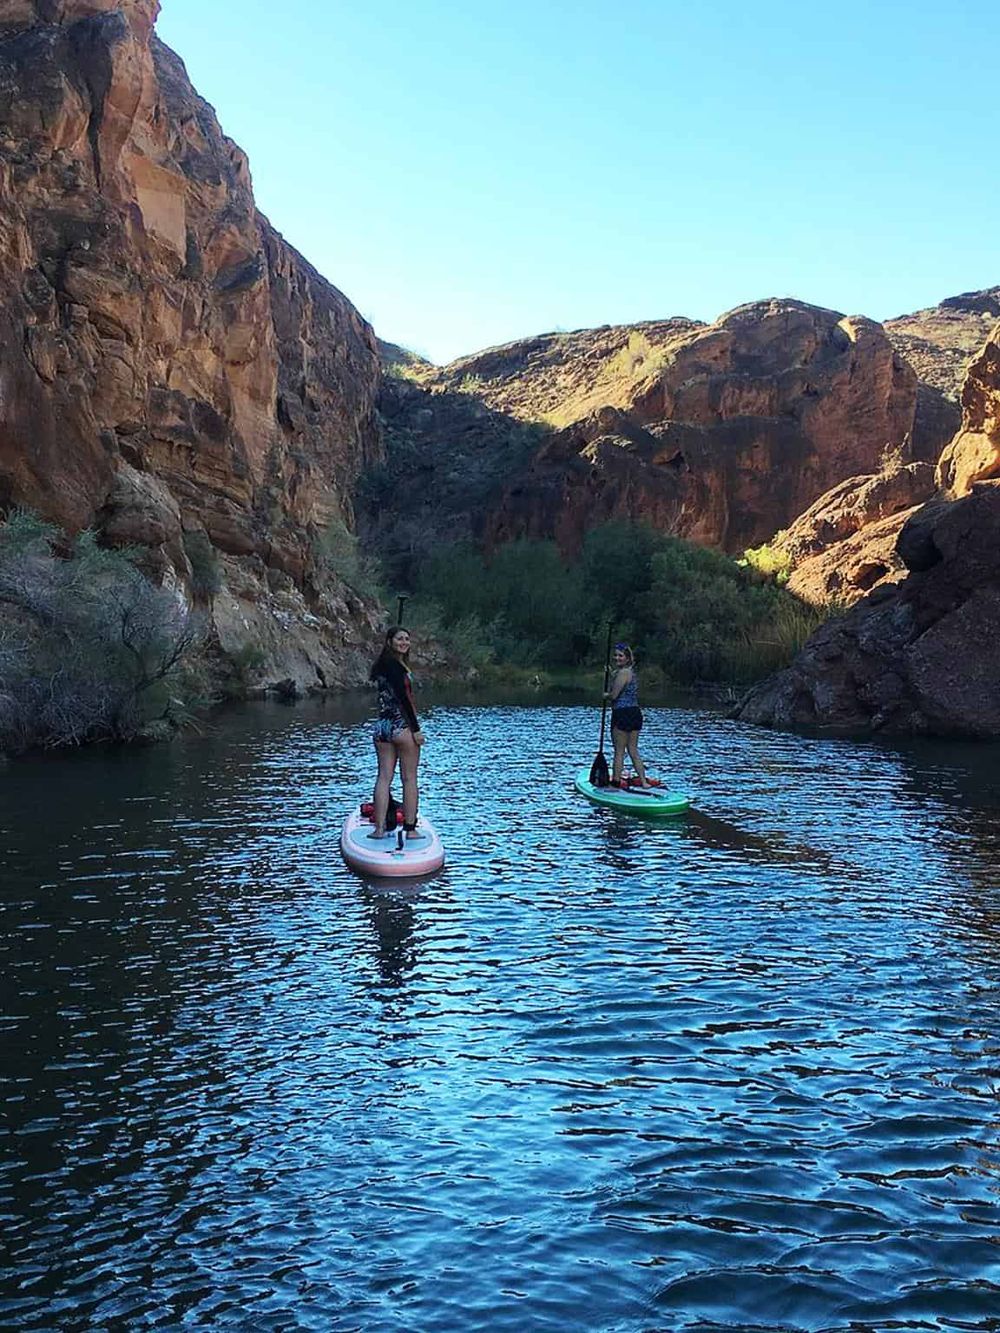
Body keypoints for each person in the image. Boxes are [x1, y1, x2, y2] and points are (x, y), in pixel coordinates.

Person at [368, 626, 425, 839]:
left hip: (382, 727)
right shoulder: (397, 669)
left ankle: (380, 829)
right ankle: (410, 830)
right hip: (401, 727)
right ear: (390, 641)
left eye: (407, 639)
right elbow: (403, 700)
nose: (404, 642)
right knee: (409, 778)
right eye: (399, 638)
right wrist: (416, 730)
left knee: (383, 777)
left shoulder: (381, 666)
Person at [604, 642, 648, 787]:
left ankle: (615, 783)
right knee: (633, 750)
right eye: (615, 655)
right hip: (635, 712)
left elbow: (614, 695)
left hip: (622, 713)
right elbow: (621, 687)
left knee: (619, 751)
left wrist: (606, 695)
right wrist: (611, 675)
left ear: (628, 658)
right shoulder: (630, 673)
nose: (617, 658)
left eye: (620, 656)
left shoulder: (623, 673)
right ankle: (644, 782)